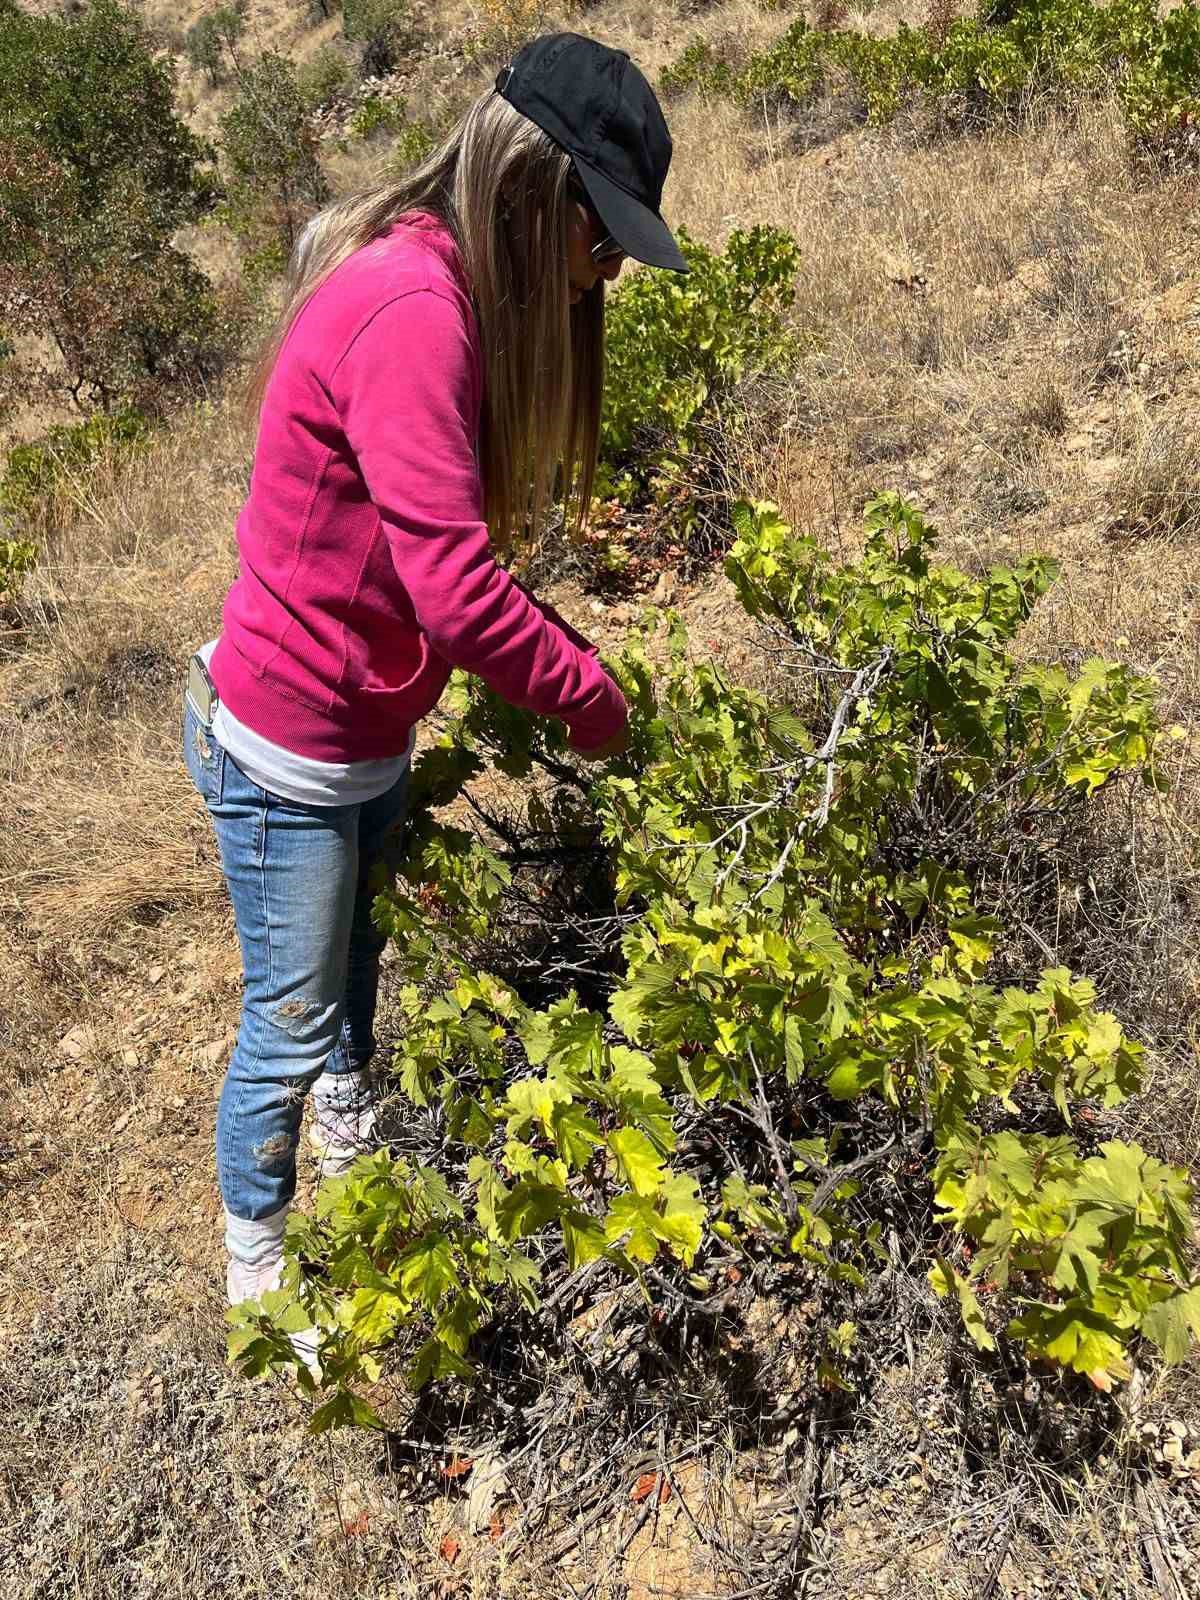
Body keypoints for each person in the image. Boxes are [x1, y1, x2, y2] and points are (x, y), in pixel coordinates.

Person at [180, 33, 687, 1341]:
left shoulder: (442, 293)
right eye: (605, 234)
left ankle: (353, 1187)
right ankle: (260, 1283)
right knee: (288, 1031)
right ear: (535, 194)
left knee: (351, 984)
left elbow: (441, 573)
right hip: (288, 758)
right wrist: (593, 700)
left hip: (356, 742)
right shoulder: (416, 312)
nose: (610, 268)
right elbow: (458, 591)